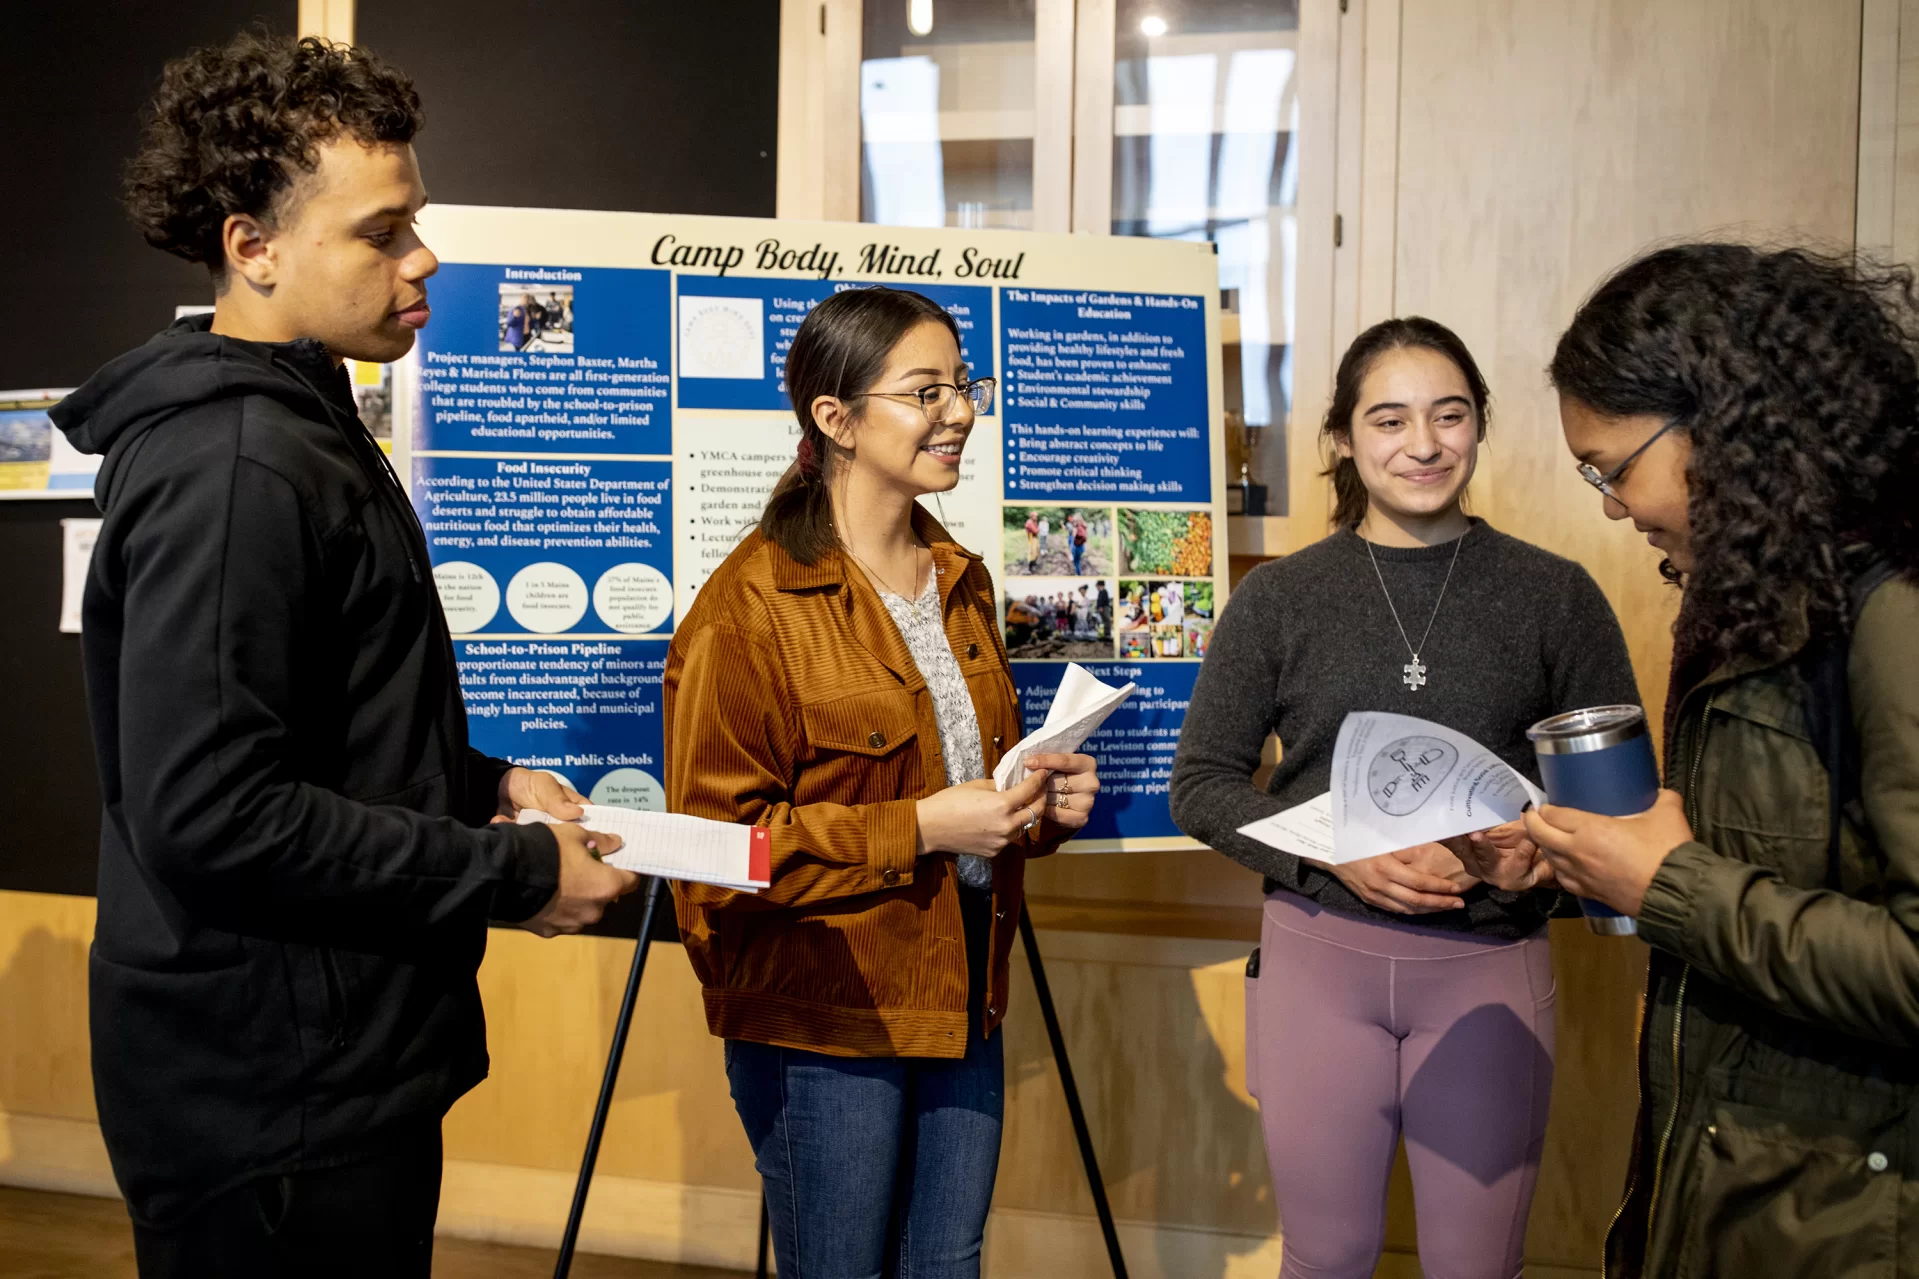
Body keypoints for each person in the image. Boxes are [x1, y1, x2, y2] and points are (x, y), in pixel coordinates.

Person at [52, 32, 636, 1277]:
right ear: (250, 246)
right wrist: (513, 874)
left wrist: (484, 782)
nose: (424, 259)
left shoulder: (300, 427)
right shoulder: (236, 467)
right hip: (271, 1098)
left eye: (413, 220)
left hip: (329, 1063)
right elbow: (214, 812)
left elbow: (316, 719)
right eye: (381, 233)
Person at [1170, 316, 1640, 1279]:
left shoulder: (1556, 595)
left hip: (1491, 970)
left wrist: (1539, 855)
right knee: (1325, 1260)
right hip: (1316, 960)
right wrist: (1327, 851)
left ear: (1478, 426)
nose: (1422, 444)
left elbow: (1619, 815)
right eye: (1387, 419)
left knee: (1476, 1268)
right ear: (1342, 437)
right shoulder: (1280, 598)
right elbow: (1201, 782)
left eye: (1448, 414)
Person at [663, 286, 1103, 1278]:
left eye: (962, 385)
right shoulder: (749, 608)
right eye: (924, 391)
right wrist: (919, 826)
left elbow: (964, 794)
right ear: (836, 417)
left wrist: (1034, 808)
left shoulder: (960, 577)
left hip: (963, 1008)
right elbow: (714, 857)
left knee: (945, 1266)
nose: (958, 412)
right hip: (824, 1024)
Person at [1529, 244, 1919, 1277]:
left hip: (1838, 1218)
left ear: (1725, 422)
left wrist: (1670, 885)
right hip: (1736, 1187)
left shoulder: (1890, 617)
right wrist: (1583, 863)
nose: (1611, 506)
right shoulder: (1759, 598)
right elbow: (1779, 860)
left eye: (1610, 469)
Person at [1069, 509, 1089, 575]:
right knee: (1077, 560)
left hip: (1077, 546)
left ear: (1078, 521)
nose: (1073, 522)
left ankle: (1078, 574)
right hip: (1081, 546)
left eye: (1075, 521)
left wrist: (1077, 541)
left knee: (1076, 562)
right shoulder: (1084, 526)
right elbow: (1085, 537)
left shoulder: (1078, 528)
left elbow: (1082, 537)